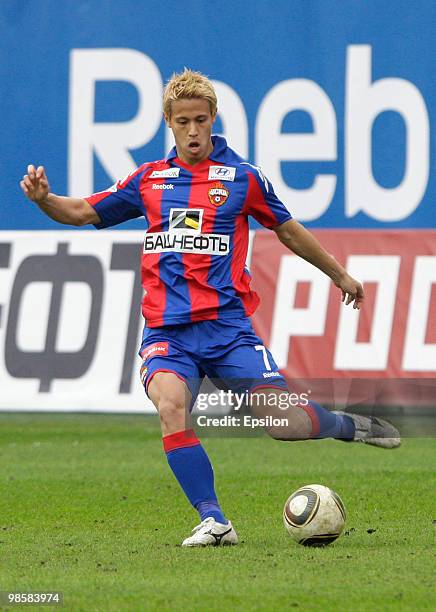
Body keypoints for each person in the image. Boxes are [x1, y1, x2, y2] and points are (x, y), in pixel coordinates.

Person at [20, 69, 400, 548]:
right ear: (169, 123)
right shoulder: (149, 180)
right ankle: (215, 521)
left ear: (213, 118)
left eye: (201, 120)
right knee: (170, 405)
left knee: (287, 425)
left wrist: (339, 274)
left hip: (227, 330)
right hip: (167, 333)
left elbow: (287, 228)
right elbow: (81, 212)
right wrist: (44, 200)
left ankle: (348, 425)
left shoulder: (242, 178)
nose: (194, 130)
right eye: (183, 122)